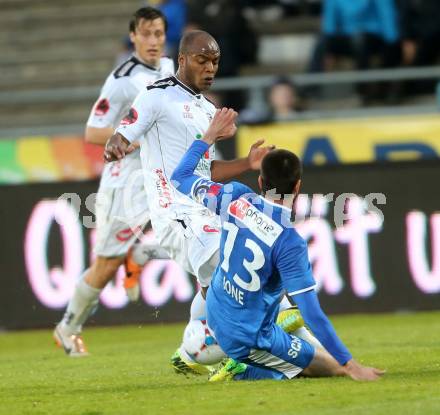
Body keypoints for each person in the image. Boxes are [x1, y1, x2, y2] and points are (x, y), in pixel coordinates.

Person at [171, 107, 385, 381]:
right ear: (297, 187)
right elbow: (312, 313)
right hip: (246, 335)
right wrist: (350, 364)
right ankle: (243, 367)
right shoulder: (289, 242)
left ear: (260, 180)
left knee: (306, 350)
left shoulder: (235, 198)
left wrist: (209, 135)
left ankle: (267, 335)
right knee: (326, 367)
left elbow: (180, 177)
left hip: (214, 311)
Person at [103, 30, 273, 374]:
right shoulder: (155, 96)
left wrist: (247, 164)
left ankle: (191, 350)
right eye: (202, 60)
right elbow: (123, 134)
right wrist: (116, 144)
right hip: (174, 212)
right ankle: (235, 351)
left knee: (226, 274)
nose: (210, 68)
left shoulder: (206, 108)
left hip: (202, 208)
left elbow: (205, 169)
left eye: (215, 62)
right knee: (229, 272)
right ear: (182, 60)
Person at [54, 7, 174, 357]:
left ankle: (140, 254)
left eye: (158, 33)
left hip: (158, 174)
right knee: (106, 263)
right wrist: (132, 137)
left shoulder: (169, 69)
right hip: (125, 183)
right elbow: (92, 132)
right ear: (133, 36)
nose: (153, 41)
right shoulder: (122, 79)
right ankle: (67, 328)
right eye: (146, 34)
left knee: (190, 232)